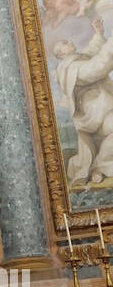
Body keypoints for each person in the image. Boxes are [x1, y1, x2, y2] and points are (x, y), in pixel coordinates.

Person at [54, 18, 113, 184]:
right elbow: (97, 67)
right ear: (61, 54)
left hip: (105, 107)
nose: (69, 41)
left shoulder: (76, 61)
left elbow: (91, 52)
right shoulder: (71, 69)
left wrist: (99, 34)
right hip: (96, 114)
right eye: (64, 43)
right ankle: (100, 167)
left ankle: (102, 166)